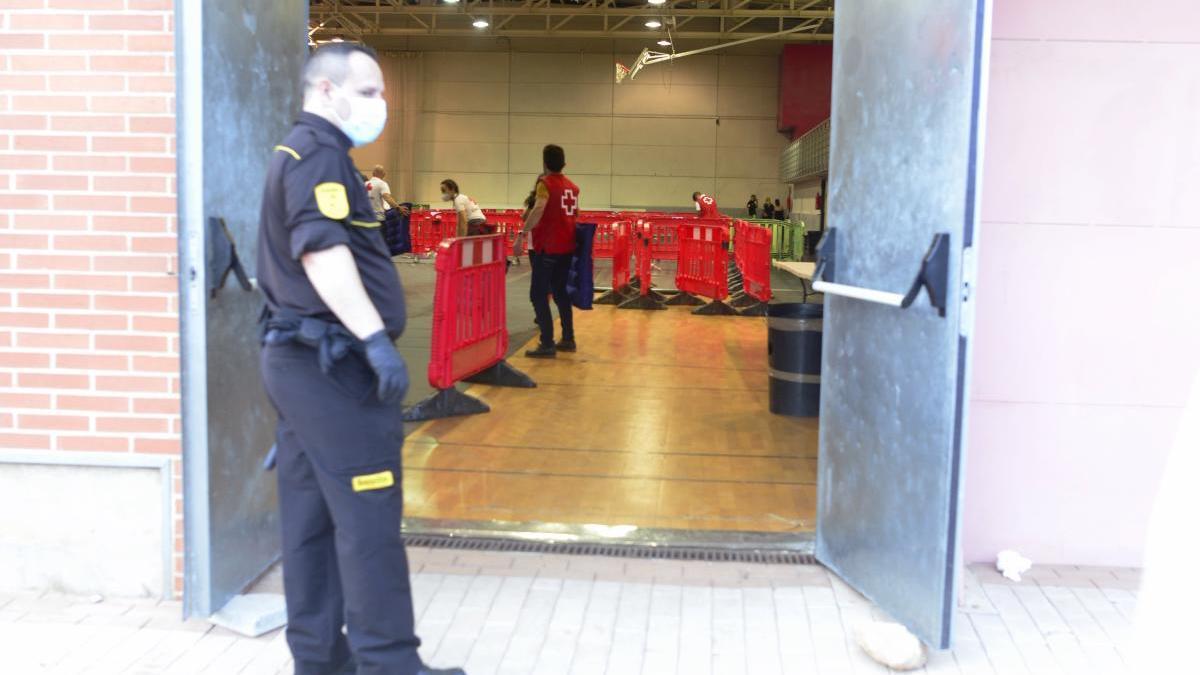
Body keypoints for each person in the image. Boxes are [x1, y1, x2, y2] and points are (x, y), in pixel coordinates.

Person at [255, 42, 464, 675]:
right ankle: (389, 663)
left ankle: (320, 660)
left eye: (382, 93)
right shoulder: (318, 155)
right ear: (324, 91)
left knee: (311, 521)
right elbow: (322, 252)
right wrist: (375, 340)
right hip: (334, 370)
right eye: (368, 93)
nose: (381, 106)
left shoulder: (306, 153)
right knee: (369, 523)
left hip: (301, 365)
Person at [517, 145, 578, 358]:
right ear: (564, 163)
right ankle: (568, 338)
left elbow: (540, 207)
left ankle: (547, 343)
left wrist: (523, 234)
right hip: (567, 247)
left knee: (538, 294)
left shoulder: (545, 184)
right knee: (560, 293)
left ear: (544, 162)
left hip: (548, 247)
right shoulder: (572, 187)